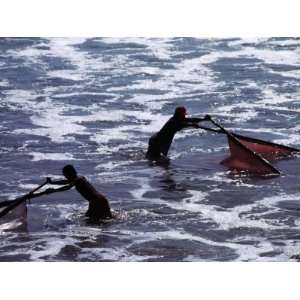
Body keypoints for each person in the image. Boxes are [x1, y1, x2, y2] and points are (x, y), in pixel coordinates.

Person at [45, 165, 112, 222]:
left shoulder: (78, 179)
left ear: (70, 173)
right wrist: (52, 182)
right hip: (95, 201)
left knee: (102, 221)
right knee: (92, 219)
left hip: (98, 201)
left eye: (66, 175)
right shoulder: (79, 178)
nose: (65, 177)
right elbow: (65, 182)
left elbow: (67, 187)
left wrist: (54, 190)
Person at [146, 106, 211, 160]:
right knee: (158, 160)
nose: (185, 116)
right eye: (184, 114)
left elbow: (191, 120)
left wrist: (203, 119)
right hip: (158, 141)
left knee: (156, 159)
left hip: (156, 139)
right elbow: (181, 125)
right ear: (180, 114)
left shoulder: (176, 118)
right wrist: (192, 125)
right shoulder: (174, 121)